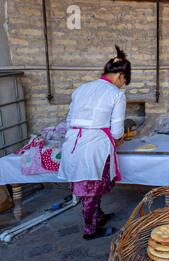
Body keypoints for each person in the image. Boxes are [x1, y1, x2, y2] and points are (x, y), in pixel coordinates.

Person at [58, 45, 131, 240]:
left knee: (90, 184)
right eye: (124, 81)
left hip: (73, 142)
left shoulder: (81, 89)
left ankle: (98, 217)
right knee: (91, 187)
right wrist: (119, 139)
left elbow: (68, 121)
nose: (122, 85)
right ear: (121, 76)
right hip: (96, 145)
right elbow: (116, 131)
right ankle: (90, 230)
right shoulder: (117, 95)